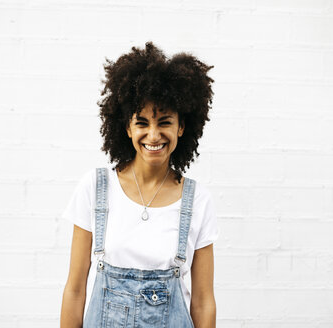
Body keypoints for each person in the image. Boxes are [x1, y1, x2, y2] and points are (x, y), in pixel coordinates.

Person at [60, 41, 218, 327]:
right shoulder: (95, 189)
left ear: (182, 127)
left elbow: (203, 301)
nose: (153, 135)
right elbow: (74, 290)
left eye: (165, 122)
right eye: (142, 122)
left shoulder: (197, 201)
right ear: (127, 127)